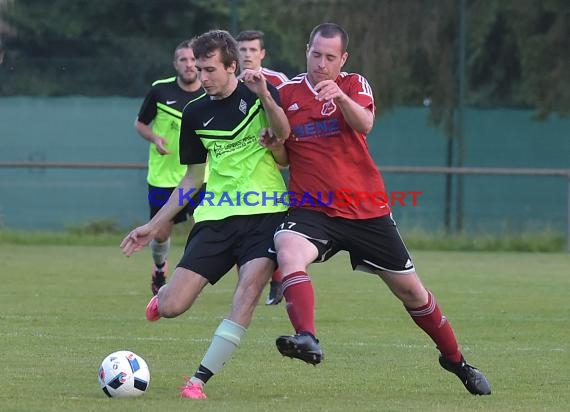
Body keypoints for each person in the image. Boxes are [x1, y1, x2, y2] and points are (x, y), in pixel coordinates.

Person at [271, 23, 492, 396]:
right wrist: (273, 142)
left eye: (330, 57)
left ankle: (456, 361)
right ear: (306, 49)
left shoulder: (354, 84)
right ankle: (306, 337)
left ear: (343, 59)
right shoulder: (286, 94)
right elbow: (281, 155)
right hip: (313, 208)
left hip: (365, 210)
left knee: (413, 295)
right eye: (315, 54)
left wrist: (339, 98)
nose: (321, 63)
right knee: (288, 250)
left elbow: (366, 123)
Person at [120, 30, 290, 400]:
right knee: (172, 306)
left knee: (247, 293)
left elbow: (283, 133)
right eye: (198, 68)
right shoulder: (194, 112)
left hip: (267, 213)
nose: (202, 76)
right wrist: (154, 225)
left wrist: (264, 95)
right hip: (216, 216)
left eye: (210, 69)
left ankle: (197, 381)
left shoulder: (259, 93)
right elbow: (193, 178)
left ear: (233, 66)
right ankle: (161, 296)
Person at [134, 40, 205, 295]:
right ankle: (160, 268)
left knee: (205, 225)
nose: (189, 65)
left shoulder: (209, 92)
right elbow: (140, 124)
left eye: (192, 59)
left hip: (200, 174)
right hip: (164, 175)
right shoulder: (160, 91)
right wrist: (155, 138)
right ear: (175, 64)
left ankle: (191, 277)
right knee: (161, 232)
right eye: (183, 60)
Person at [236, 29, 289, 305]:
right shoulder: (229, 83)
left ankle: (277, 280)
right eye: (242, 49)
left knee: (274, 231)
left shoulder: (278, 81)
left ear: (262, 53)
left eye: (252, 50)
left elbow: (288, 119)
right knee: (240, 228)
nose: (247, 54)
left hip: (274, 165)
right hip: (241, 172)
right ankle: (245, 284)